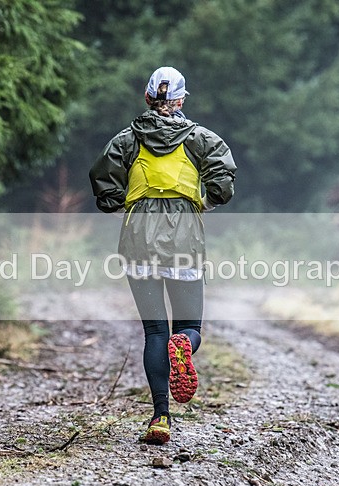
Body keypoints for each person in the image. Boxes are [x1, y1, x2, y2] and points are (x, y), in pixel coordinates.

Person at [89, 66, 236, 444]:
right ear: (181, 100)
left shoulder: (126, 139)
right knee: (189, 327)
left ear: (147, 97)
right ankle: (184, 344)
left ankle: (160, 418)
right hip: (183, 236)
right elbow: (223, 178)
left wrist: (125, 205)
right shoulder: (201, 138)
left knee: (154, 331)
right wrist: (205, 200)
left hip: (139, 236)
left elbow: (103, 180)